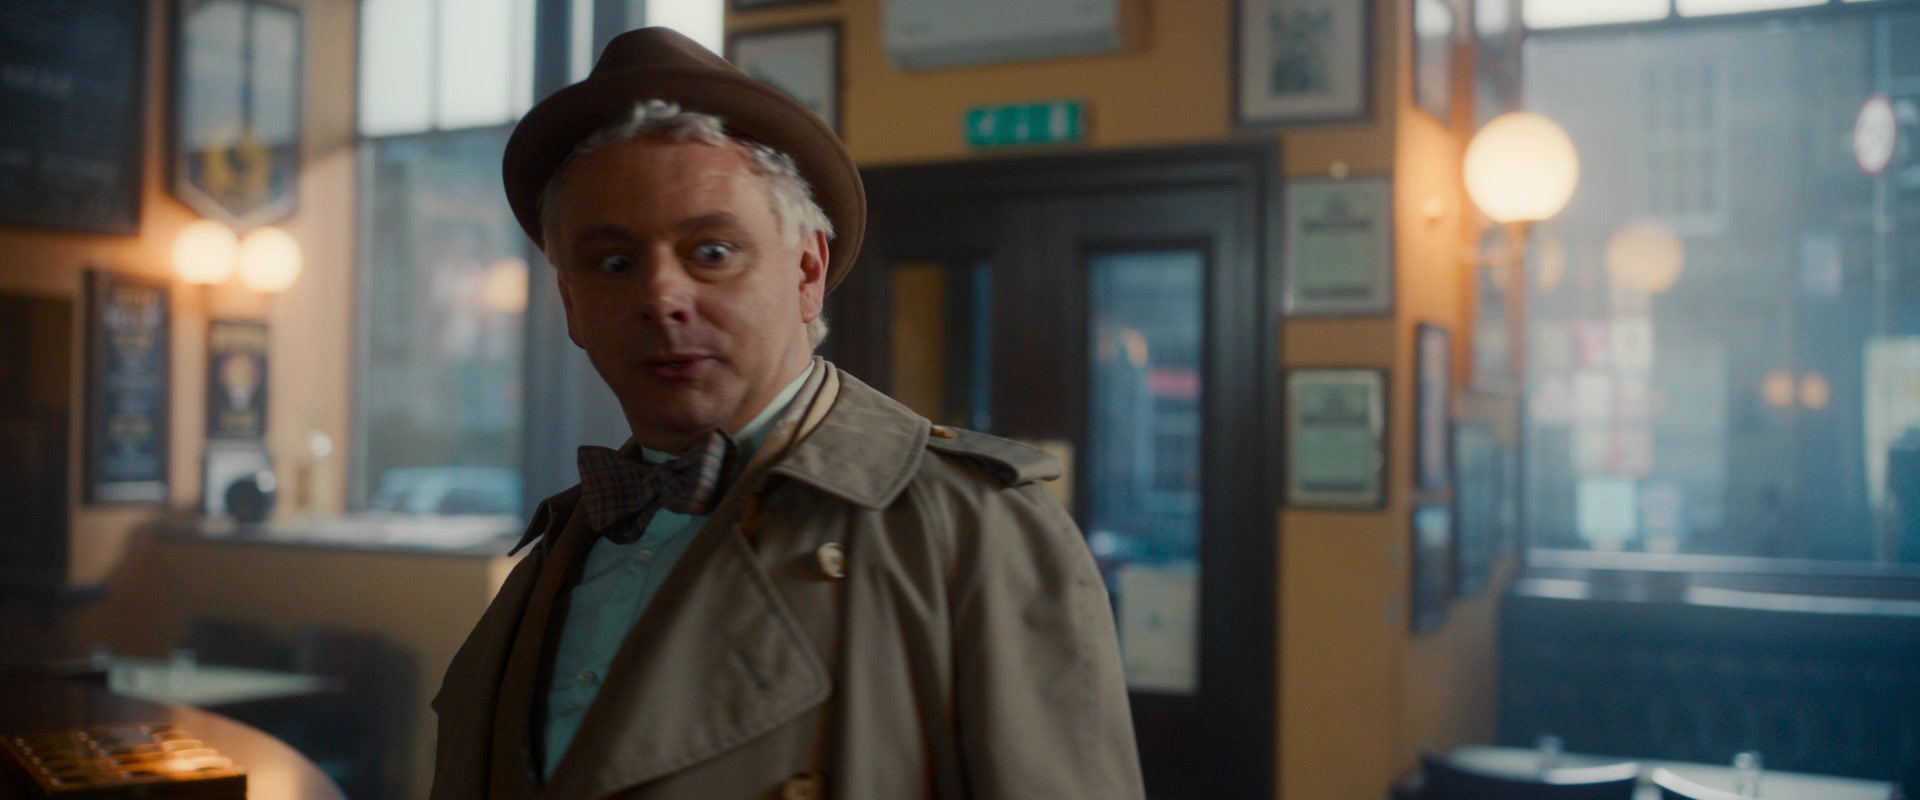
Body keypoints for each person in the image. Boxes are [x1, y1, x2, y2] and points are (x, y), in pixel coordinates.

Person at [428, 27, 1145, 800]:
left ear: (807, 272)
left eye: (711, 252)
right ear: (571, 304)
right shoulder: (558, 550)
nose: (660, 297)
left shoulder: (973, 530)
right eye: (614, 263)